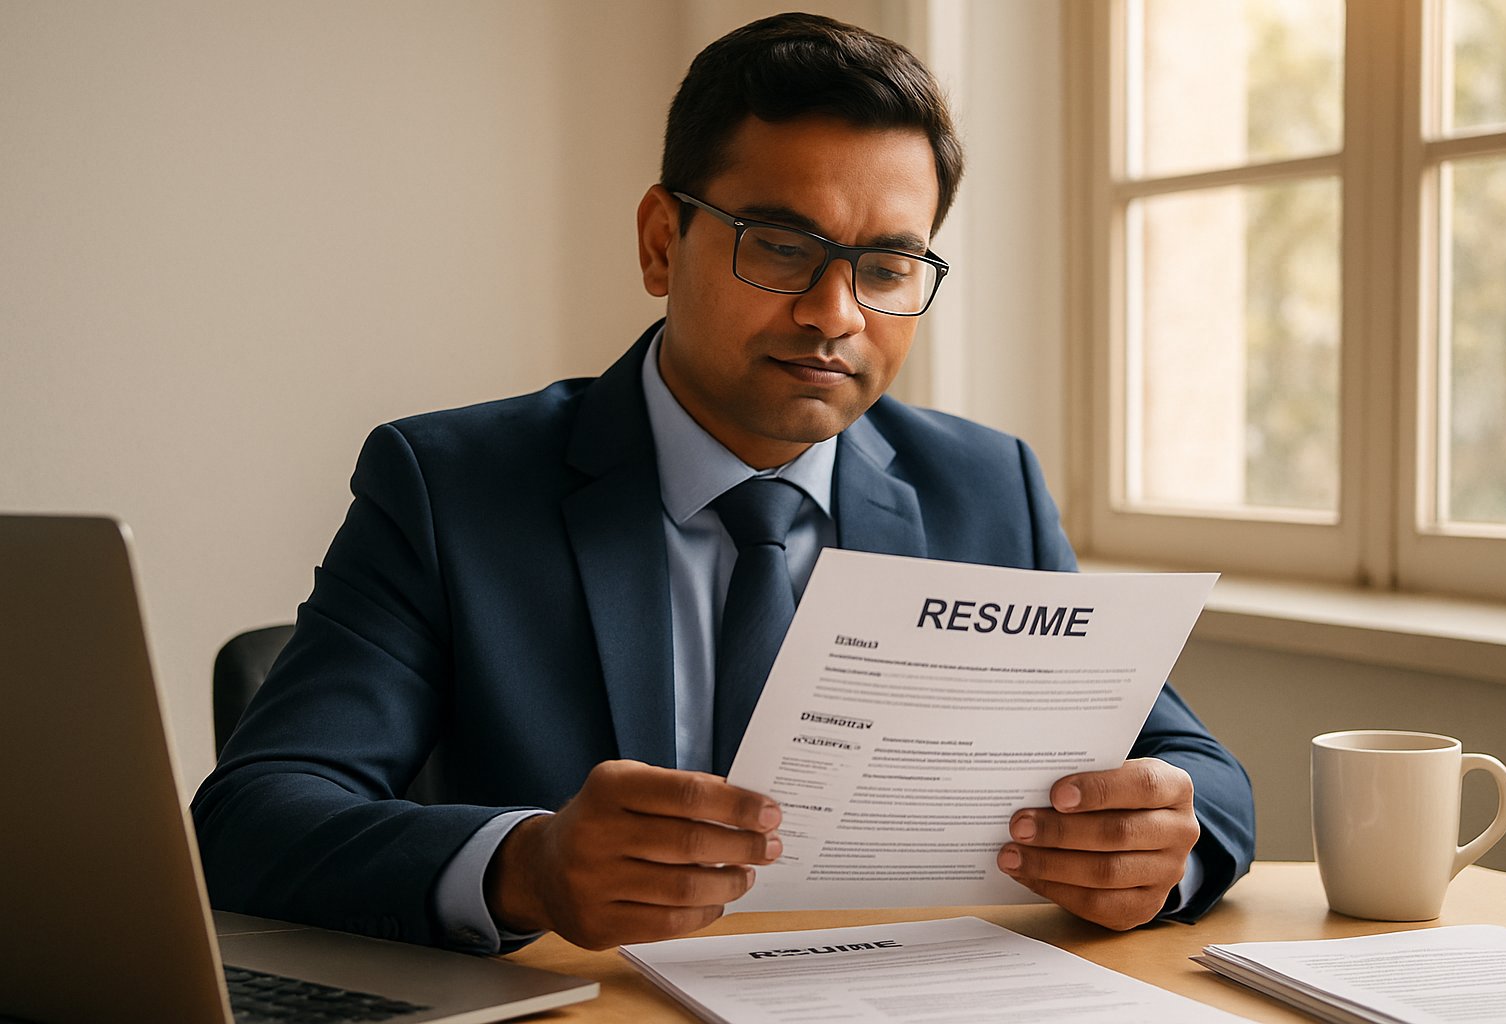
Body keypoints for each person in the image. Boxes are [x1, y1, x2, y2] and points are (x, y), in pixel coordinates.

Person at [193, 12, 1255, 955]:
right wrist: (531, 863)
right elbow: (254, 813)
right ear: (663, 241)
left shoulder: (986, 486)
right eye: (783, 246)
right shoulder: (449, 486)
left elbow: (1197, 773)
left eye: (887, 267)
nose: (835, 312)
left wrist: (1163, 840)